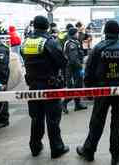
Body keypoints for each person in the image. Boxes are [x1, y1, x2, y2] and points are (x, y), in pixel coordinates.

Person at [76, 20, 119, 165]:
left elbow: (89, 70)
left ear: (105, 32)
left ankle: (89, 151)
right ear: (118, 32)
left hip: (102, 91)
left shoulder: (98, 48)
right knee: (118, 122)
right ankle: (115, 155)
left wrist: (89, 89)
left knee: (97, 121)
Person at [21, 16, 69, 159]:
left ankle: (35, 147)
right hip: (49, 85)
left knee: (36, 117)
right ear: (47, 27)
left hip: (32, 86)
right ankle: (57, 148)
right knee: (52, 118)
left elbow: (26, 60)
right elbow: (62, 61)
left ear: (34, 26)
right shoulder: (50, 42)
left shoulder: (25, 43)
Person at [62, 28, 87, 113]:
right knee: (74, 88)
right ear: (74, 34)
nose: (78, 35)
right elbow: (73, 59)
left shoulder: (73, 42)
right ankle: (64, 103)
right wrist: (81, 68)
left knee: (78, 87)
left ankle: (78, 105)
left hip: (74, 68)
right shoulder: (71, 44)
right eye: (77, 33)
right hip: (73, 69)